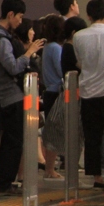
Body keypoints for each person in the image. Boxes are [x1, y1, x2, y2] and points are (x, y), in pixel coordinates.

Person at [0, 0, 44, 196]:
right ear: (10, 15)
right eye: (19, 16)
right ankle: (3, 184)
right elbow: (11, 66)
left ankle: (4, 182)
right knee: (13, 141)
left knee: (11, 140)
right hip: (10, 95)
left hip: (3, 94)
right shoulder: (1, 38)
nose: (20, 21)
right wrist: (29, 53)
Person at [72, 0, 104, 190]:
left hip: (87, 91)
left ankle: (97, 176)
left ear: (89, 15)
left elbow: (80, 61)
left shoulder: (79, 37)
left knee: (92, 135)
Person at [40, 15, 65, 178]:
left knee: (51, 130)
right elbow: (60, 69)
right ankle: (50, 168)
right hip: (56, 91)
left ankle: (50, 167)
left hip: (49, 90)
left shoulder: (47, 47)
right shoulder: (56, 48)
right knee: (55, 131)